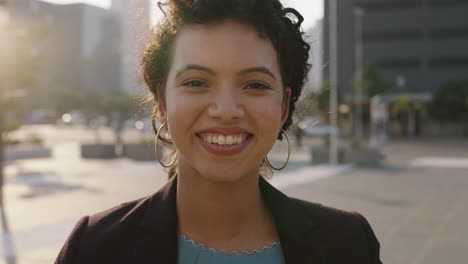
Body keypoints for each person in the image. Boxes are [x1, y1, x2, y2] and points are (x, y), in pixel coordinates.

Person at [55, 0, 382, 263]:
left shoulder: (348, 243)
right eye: (196, 82)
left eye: (255, 85)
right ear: (163, 101)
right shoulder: (96, 247)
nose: (225, 109)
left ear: (284, 107)